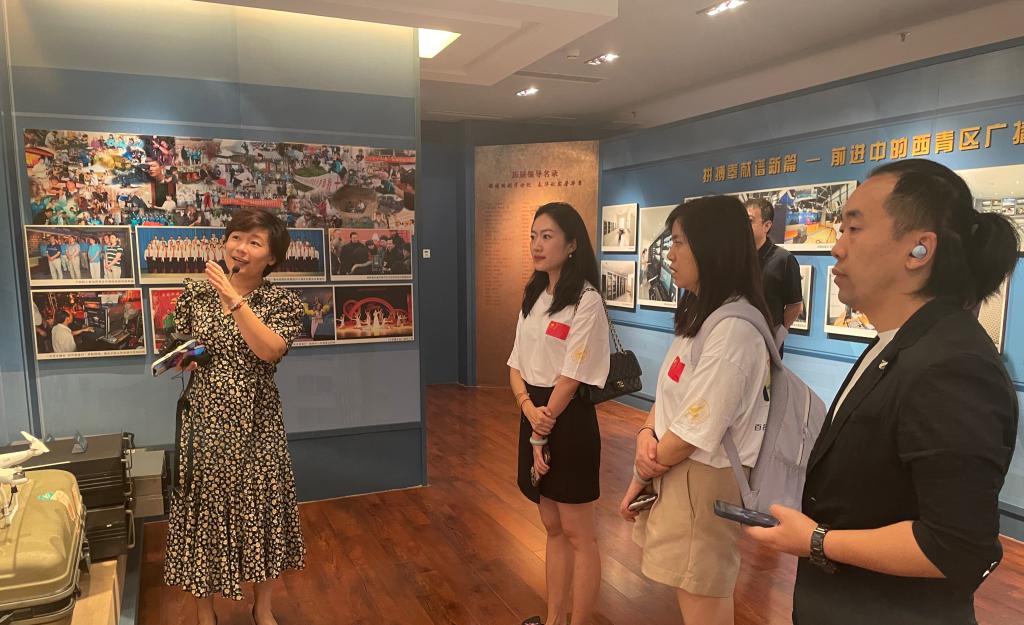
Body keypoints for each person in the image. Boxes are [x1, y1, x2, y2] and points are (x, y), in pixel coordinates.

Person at [747, 159, 1019, 625]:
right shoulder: (900, 343)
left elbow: (956, 546)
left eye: (854, 229)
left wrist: (817, 541)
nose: (837, 248)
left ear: (919, 249)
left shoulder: (953, 365)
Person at [619, 196, 772, 625]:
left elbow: (692, 432)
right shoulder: (704, 316)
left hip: (702, 477)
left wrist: (641, 473)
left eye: (679, 242)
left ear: (712, 247)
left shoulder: (734, 330)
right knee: (692, 591)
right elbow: (671, 398)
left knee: (702, 595)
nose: (669, 254)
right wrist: (644, 434)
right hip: (680, 470)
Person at [164, 207, 305, 625]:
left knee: (262, 511)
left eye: (254, 242)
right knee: (203, 512)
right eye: (236, 238)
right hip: (205, 418)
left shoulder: (282, 301)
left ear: (272, 257)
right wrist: (185, 357)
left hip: (257, 421)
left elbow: (270, 350)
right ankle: (204, 611)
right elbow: (184, 343)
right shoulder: (195, 292)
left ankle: (262, 607)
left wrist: (233, 299)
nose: (240, 247)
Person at [507, 202, 610, 625]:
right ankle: (554, 619)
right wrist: (529, 411)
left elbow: (572, 375)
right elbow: (515, 363)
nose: (536, 244)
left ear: (571, 245)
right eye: (533, 236)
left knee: (578, 532)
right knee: (551, 524)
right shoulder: (533, 295)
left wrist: (541, 425)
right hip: (534, 412)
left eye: (547, 236)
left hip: (567, 419)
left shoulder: (586, 300)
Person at [745, 198, 803, 333]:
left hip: (766, 340)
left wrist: (775, 338)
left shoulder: (784, 260)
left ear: (767, 225)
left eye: (749, 221)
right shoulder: (736, 259)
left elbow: (795, 306)